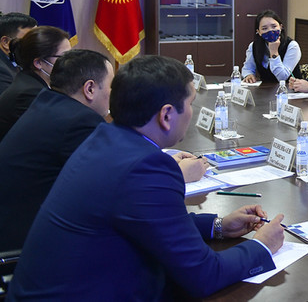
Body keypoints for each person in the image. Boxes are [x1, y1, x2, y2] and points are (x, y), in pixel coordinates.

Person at [8, 55, 284, 301]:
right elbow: (204, 275)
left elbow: (147, 220)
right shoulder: (145, 167)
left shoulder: (106, 137)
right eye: (190, 104)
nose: (192, 113)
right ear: (166, 115)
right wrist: (263, 246)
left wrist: (218, 225)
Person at [0, 49, 114, 251]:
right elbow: (110, 184)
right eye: (111, 86)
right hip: (27, 245)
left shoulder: (47, 102)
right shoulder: (79, 121)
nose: (112, 94)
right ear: (89, 88)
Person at [0, 26, 71, 142]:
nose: (71, 62)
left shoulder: (31, 82)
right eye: (64, 57)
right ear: (38, 63)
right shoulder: (29, 93)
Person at [241, 9, 301, 84]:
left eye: (274, 26)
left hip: (289, 88)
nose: (270, 31)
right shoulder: (254, 46)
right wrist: (248, 75)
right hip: (265, 88)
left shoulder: (292, 46)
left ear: (281, 27)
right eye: (264, 28)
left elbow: (282, 77)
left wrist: (274, 52)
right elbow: (248, 68)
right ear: (258, 32)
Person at [0, 12, 37, 94]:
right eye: (29, 40)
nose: (35, 45)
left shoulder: (18, 61)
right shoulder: (2, 71)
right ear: (6, 42)